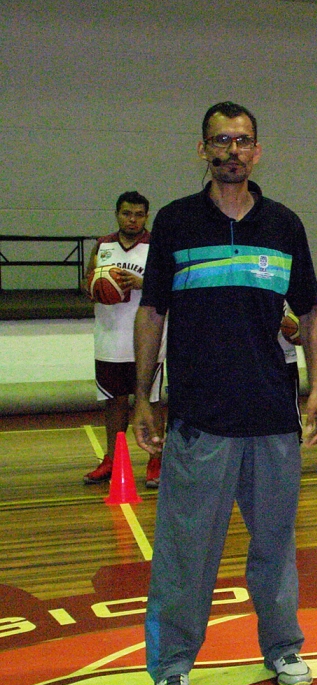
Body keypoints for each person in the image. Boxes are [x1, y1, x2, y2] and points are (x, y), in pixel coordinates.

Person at [132, 101, 317, 685]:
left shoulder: (284, 225)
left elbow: (313, 309)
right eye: (220, 141)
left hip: (273, 416)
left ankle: (283, 648)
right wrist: (143, 395)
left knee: (274, 544)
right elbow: (152, 312)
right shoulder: (175, 223)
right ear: (203, 151)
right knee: (187, 551)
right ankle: (171, 669)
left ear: (257, 151)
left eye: (243, 141)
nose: (232, 151)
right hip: (199, 418)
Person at [82, 191, 166, 488]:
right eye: (127, 213)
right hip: (109, 335)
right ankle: (113, 459)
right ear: (117, 213)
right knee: (114, 401)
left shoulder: (157, 245)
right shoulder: (102, 245)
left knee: (151, 399)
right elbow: (86, 282)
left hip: (148, 338)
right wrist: (96, 285)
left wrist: (143, 282)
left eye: (139, 214)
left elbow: (173, 285)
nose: (132, 219)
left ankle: (156, 458)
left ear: (147, 216)